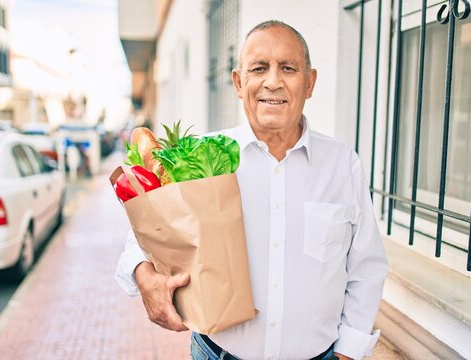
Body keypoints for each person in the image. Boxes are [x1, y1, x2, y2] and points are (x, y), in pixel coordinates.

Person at [115, 20, 388, 360]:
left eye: (288, 68)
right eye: (259, 68)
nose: (273, 81)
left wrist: (348, 352)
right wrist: (143, 276)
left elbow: (366, 268)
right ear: (238, 83)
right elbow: (144, 235)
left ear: (310, 83)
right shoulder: (198, 157)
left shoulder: (343, 164)